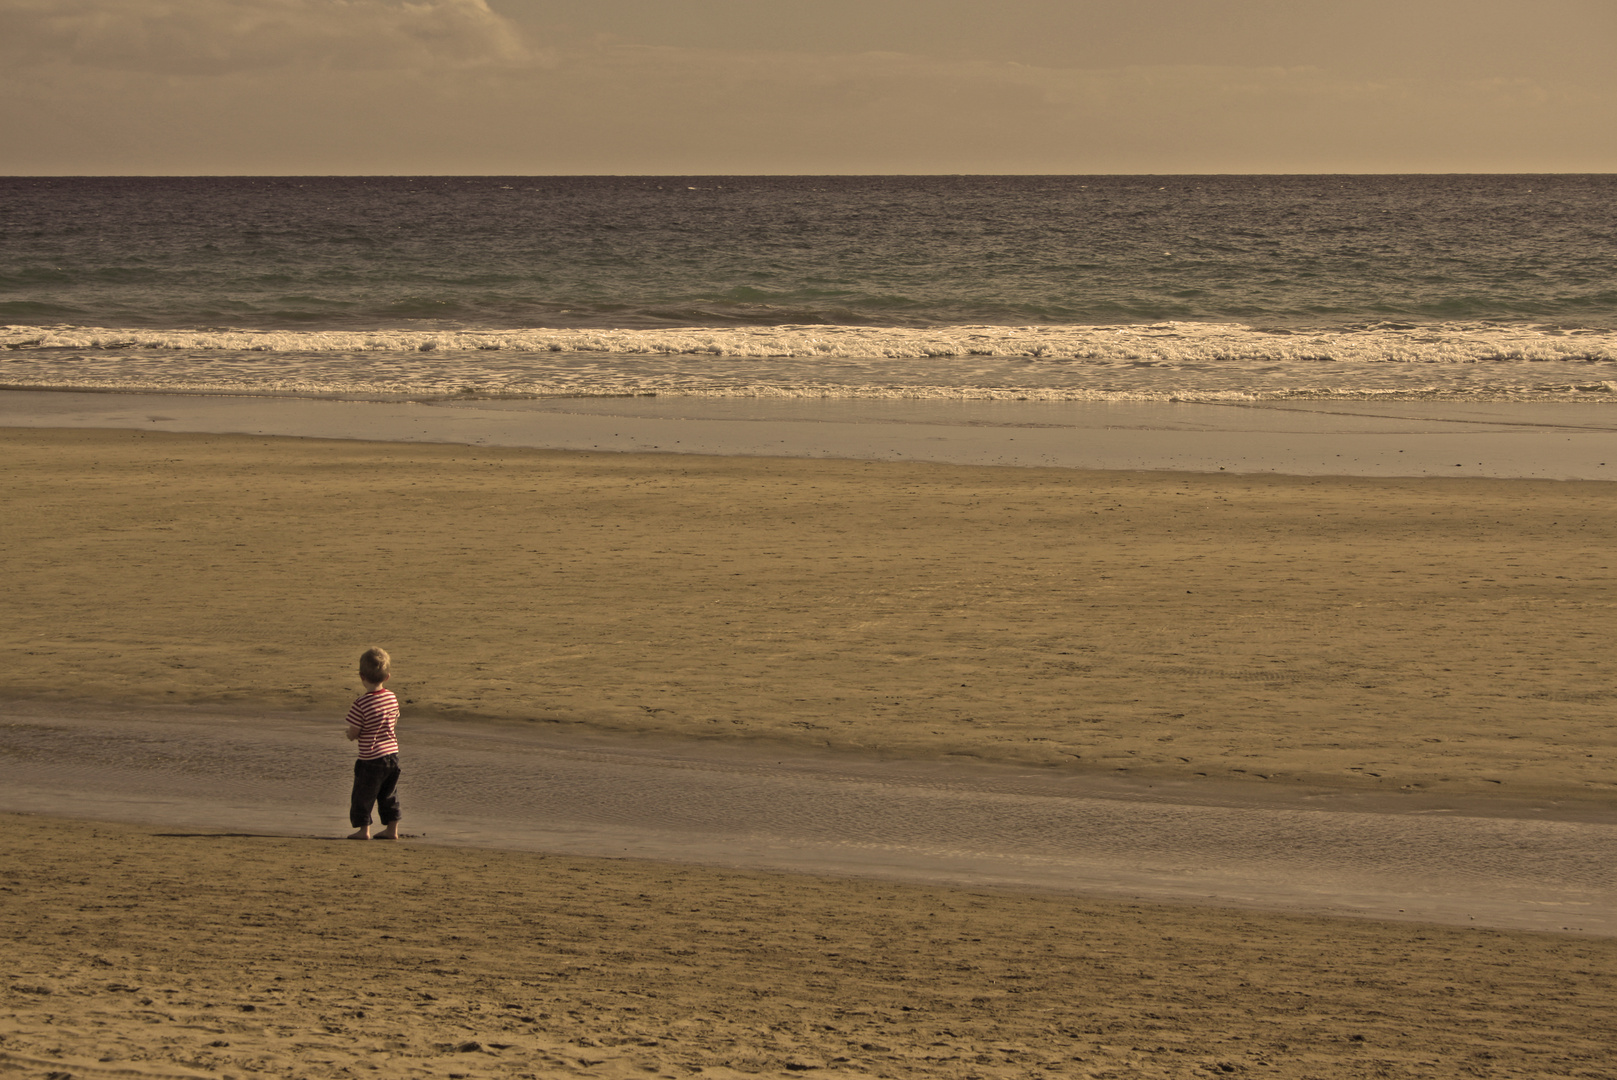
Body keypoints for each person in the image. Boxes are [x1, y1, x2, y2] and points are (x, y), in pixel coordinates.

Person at [345, 647, 402, 840]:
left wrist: (349, 735)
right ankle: (392, 829)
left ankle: (364, 830)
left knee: (363, 795)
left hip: (370, 758)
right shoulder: (391, 697)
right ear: (387, 677)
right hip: (392, 755)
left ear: (361, 676)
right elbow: (393, 722)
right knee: (389, 794)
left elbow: (354, 731)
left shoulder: (360, 704)